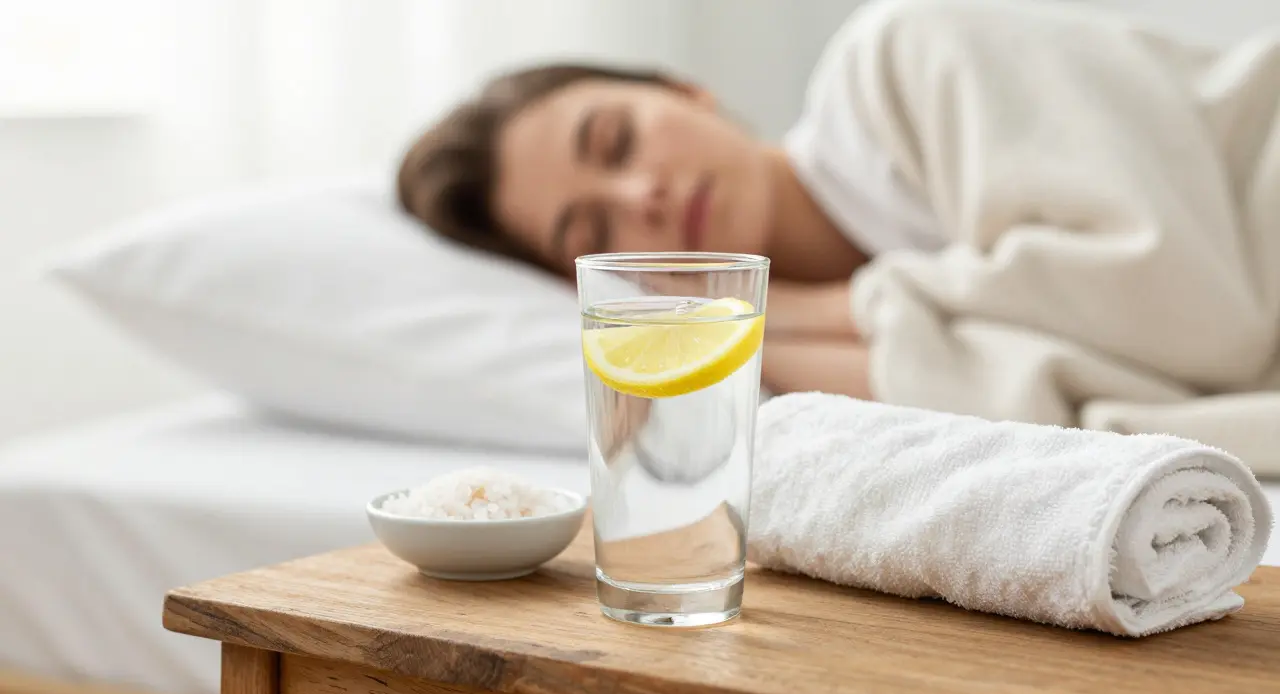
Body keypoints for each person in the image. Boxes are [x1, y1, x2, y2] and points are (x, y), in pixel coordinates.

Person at [398, 0, 1280, 473]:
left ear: (684, 89)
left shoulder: (901, 56)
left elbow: (1192, 311)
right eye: (593, 228)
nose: (644, 195)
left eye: (618, 139)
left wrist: (831, 307)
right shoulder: (788, 364)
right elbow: (1070, 419)